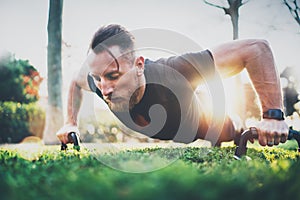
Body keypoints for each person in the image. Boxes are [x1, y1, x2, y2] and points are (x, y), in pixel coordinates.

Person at [56, 24, 289, 147]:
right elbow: (75, 83)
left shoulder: (174, 71)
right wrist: (70, 123)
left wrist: (273, 116)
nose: (104, 89)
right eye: (98, 78)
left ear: (139, 65)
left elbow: (256, 49)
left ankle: (236, 122)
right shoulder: (99, 82)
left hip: (206, 123)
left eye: (114, 76)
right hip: (174, 127)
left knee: (228, 131)